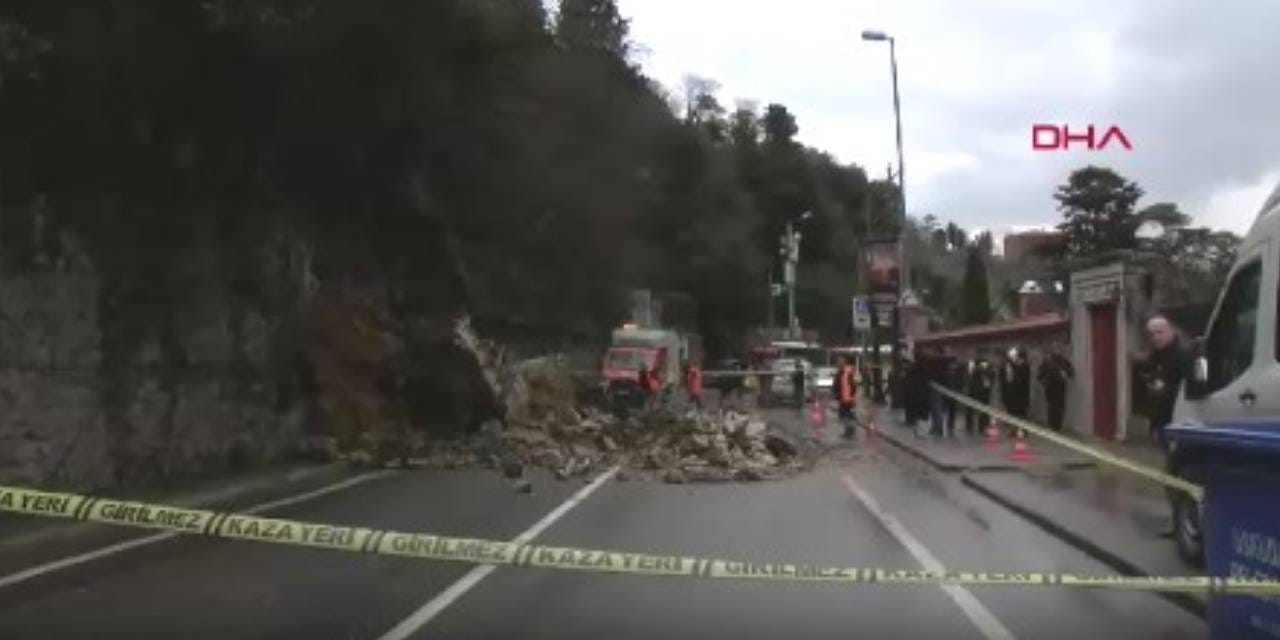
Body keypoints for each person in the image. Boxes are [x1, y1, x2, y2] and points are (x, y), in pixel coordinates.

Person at [1141, 316, 1188, 447]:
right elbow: (1152, 374)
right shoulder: (1155, 354)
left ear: (1170, 331)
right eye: (1152, 334)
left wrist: (1164, 388)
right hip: (1160, 415)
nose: (1155, 337)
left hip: (1178, 416)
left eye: (1160, 332)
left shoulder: (1183, 354)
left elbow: (1188, 386)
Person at [1037, 345, 1074, 432]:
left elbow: (1071, 373)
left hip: (1059, 388)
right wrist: (1045, 383)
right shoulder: (1047, 362)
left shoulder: (1064, 362)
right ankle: (1053, 427)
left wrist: (1066, 375)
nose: (1057, 351)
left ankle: (1056, 427)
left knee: (1058, 408)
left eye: (1058, 349)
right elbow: (1039, 377)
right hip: (1051, 388)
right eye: (1056, 349)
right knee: (1053, 408)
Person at [1000, 346, 1032, 434]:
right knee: (1012, 412)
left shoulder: (1024, 365)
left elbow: (1022, 379)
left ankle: (1023, 430)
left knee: (1021, 412)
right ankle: (1013, 430)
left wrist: (1015, 366)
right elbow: (1004, 379)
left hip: (1021, 393)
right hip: (1010, 393)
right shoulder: (1008, 365)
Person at [966, 349, 996, 435]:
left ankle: (982, 427)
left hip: (984, 391)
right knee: (970, 409)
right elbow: (969, 376)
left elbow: (991, 377)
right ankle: (970, 426)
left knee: (983, 411)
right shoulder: (972, 364)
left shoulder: (988, 366)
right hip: (973, 390)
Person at [834, 356, 859, 439]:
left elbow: (853, 386)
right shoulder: (840, 372)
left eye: (840, 362)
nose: (838, 364)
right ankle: (849, 431)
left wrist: (851, 396)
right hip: (843, 399)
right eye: (838, 362)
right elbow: (837, 385)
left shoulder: (847, 373)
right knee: (846, 416)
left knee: (847, 416)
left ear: (844, 363)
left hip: (847, 399)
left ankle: (850, 432)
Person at [945, 353, 968, 436]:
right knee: (951, 411)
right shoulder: (956, 372)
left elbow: (961, 383)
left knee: (951, 411)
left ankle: (950, 426)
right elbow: (961, 383)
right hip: (952, 394)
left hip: (951, 394)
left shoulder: (953, 372)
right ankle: (950, 426)